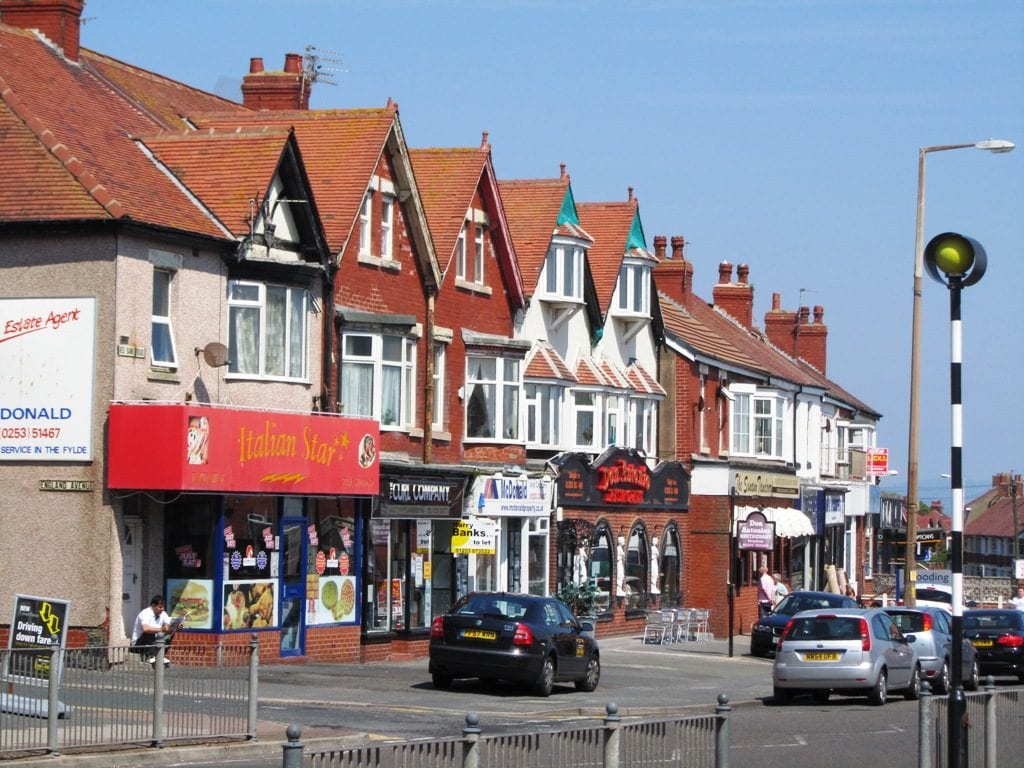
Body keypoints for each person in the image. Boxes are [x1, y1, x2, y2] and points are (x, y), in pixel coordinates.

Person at [131, 594, 177, 667]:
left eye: (163, 607)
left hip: (153, 643)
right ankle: (147, 657)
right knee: (150, 631)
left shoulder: (163, 614)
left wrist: (177, 625)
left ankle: (160, 655)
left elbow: (169, 622)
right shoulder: (145, 613)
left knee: (170, 631)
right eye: (160, 607)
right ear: (153, 605)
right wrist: (161, 629)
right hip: (139, 645)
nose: (162, 609)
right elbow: (146, 629)